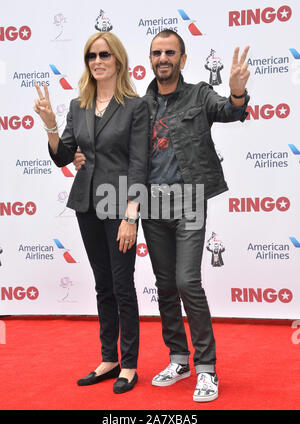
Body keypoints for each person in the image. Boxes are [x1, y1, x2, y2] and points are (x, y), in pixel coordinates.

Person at [73, 30, 250, 402]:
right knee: (165, 285)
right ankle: (179, 357)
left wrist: (236, 92)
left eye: (171, 52)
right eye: (157, 53)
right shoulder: (139, 103)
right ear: (149, 59)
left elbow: (231, 111)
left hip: (188, 201)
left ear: (182, 59)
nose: (163, 58)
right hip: (151, 205)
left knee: (187, 282)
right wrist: (82, 155)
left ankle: (206, 368)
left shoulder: (200, 94)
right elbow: (120, 150)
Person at [34, 31, 149, 394]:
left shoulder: (135, 105)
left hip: (120, 206)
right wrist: (50, 123)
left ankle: (129, 364)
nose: (97, 61)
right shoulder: (77, 105)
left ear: (118, 60)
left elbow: (140, 164)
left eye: (104, 55)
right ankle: (108, 358)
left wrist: (131, 215)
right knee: (103, 285)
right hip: (86, 202)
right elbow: (64, 155)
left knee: (122, 284)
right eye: (91, 56)